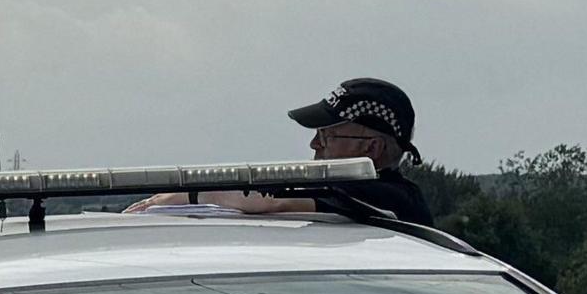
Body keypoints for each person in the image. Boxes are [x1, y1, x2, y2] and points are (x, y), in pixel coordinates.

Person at [131, 77, 436, 224]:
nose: (314, 145)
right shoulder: (346, 197)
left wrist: (187, 197)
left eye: (327, 136)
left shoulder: (388, 198)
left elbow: (271, 201)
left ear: (372, 148)